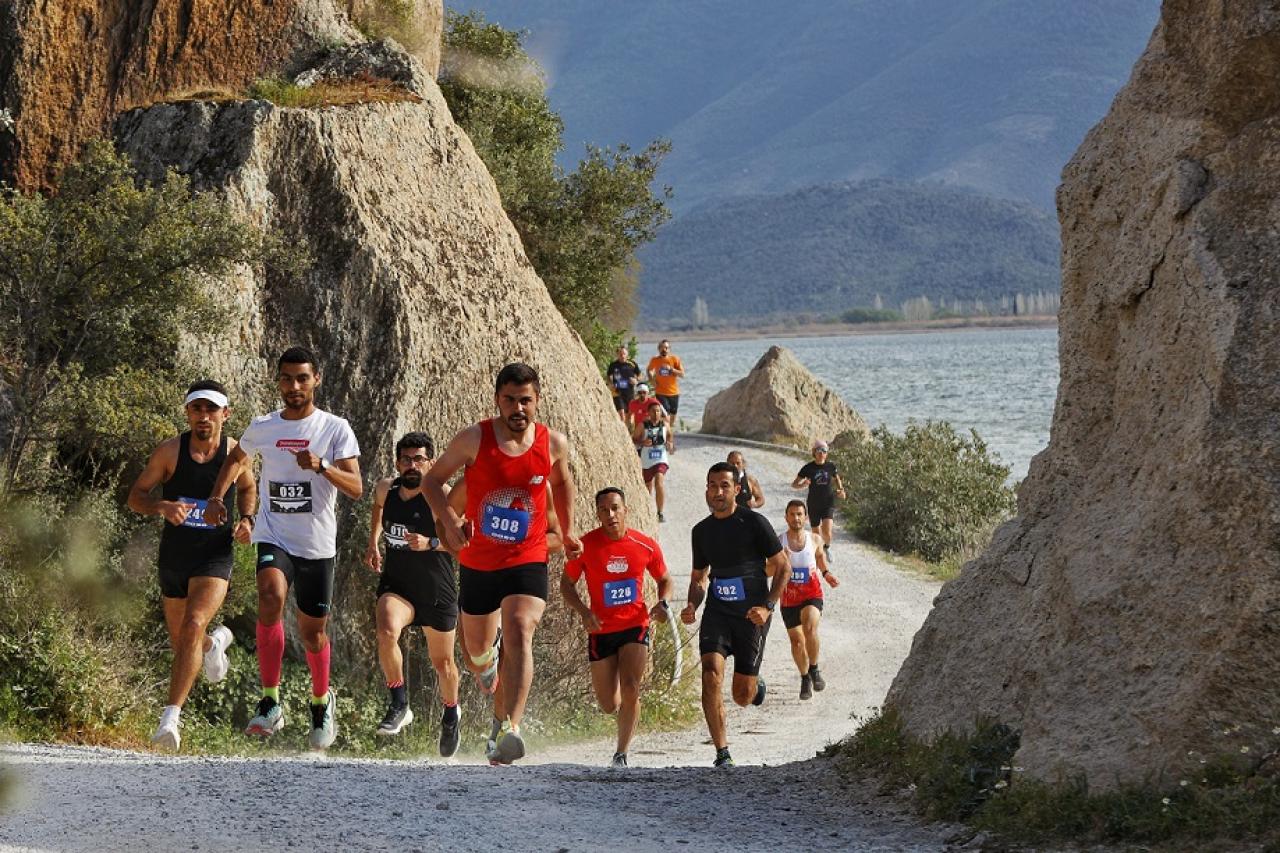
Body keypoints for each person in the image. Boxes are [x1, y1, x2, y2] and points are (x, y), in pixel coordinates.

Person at [204, 346, 362, 750]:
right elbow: (236, 460)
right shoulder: (264, 426)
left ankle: (321, 702)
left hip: (317, 545)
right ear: (278, 381)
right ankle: (270, 701)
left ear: (316, 380)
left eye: (302, 378)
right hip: (275, 534)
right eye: (287, 378)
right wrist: (218, 497)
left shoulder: (335, 428)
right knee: (270, 595)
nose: (294, 386)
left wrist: (323, 467)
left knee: (313, 635)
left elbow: (357, 488)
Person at [423, 362, 581, 765]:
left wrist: (569, 528)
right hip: (479, 563)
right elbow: (431, 481)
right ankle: (487, 663)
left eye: (525, 400)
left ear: (537, 401)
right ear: (497, 400)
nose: (518, 408)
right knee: (477, 653)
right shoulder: (474, 439)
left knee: (520, 629)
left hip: (526, 558)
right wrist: (449, 520)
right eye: (509, 400)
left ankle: (511, 728)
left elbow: (561, 482)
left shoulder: (553, 443)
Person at [128, 380, 256, 751]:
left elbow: (248, 487)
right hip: (175, 557)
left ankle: (170, 719)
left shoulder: (235, 453)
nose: (204, 416)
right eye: (197, 409)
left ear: (225, 414)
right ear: (187, 413)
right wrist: (161, 507)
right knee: (185, 639)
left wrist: (246, 519)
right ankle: (214, 644)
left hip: (215, 555)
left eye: (211, 409)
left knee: (194, 621)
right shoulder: (169, 452)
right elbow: (136, 496)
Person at [681, 462, 790, 768]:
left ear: (737, 490)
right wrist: (693, 605)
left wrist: (767, 607)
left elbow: (783, 568)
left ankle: (756, 688)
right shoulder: (700, 532)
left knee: (742, 695)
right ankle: (722, 752)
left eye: (724, 486)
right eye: (712, 485)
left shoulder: (754, 523)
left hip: (751, 616)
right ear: (706, 489)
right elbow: (700, 577)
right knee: (710, 672)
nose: (718, 492)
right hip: (717, 612)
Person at [363, 431, 462, 756]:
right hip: (399, 585)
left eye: (419, 459)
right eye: (406, 459)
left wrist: (431, 543)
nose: (412, 465)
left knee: (443, 663)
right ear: (397, 462)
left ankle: (451, 713)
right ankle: (399, 703)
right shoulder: (385, 488)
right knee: (386, 630)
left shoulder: (442, 496)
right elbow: (378, 508)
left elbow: (462, 546)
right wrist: (373, 541)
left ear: (430, 462)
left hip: (436, 590)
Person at [560, 487, 672, 768]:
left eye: (615, 508)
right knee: (608, 704)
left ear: (625, 511)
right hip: (600, 631)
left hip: (635, 624)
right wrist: (584, 612)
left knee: (632, 685)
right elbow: (566, 585)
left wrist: (663, 604)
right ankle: (624, 710)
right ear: (597, 514)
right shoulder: (586, 546)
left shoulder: (644, 545)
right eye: (604, 510)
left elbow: (665, 579)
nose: (610, 515)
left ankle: (621, 753)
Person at [779, 500, 838, 700]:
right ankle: (805, 677)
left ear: (805, 517)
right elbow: (768, 570)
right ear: (786, 517)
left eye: (800, 514)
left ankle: (814, 668)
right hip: (788, 598)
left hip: (812, 593)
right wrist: (783, 562)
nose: (796, 518)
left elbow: (820, 557)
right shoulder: (779, 543)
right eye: (792, 514)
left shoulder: (814, 539)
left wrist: (827, 573)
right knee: (797, 642)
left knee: (810, 627)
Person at [791, 440, 846, 560]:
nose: (821, 453)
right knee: (816, 532)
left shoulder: (831, 466)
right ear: (814, 452)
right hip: (813, 503)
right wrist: (803, 484)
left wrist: (841, 490)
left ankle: (827, 547)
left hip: (828, 503)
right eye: (819, 450)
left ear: (827, 453)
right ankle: (818, 554)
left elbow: (836, 478)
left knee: (827, 531)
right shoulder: (808, 468)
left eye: (824, 451)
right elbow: (794, 484)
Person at [633, 399, 672, 523]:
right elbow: (633, 439)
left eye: (658, 411)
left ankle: (660, 512)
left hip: (661, 457)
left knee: (659, 482)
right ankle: (647, 509)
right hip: (647, 459)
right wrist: (642, 442)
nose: (656, 413)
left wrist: (670, 443)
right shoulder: (642, 426)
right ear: (648, 413)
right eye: (653, 411)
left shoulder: (665, 424)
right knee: (647, 486)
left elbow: (670, 435)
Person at [645, 340, 684, 449]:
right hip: (660, 392)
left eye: (666, 348)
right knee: (665, 415)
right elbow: (649, 370)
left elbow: (682, 374)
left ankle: (668, 432)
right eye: (662, 347)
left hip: (674, 392)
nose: (664, 349)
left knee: (672, 416)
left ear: (669, 349)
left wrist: (671, 369)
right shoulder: (655, 360)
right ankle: (665, 439)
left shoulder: (674, 359)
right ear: (659, 349)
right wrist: (651, 379)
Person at [605, 345, 642, 424]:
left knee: (630, 416)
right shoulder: (613, 365)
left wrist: (636, 380)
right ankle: (623, 432)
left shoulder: (632, 364)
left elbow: (639, 375)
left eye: (624, 354)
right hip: (617, 392)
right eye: (620, 354)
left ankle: (628, 432)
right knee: (622, 414)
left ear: (627, 354)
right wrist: (610, 383)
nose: (622, 356)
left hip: (629, 393)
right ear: (617, 355)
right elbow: (608, 376)